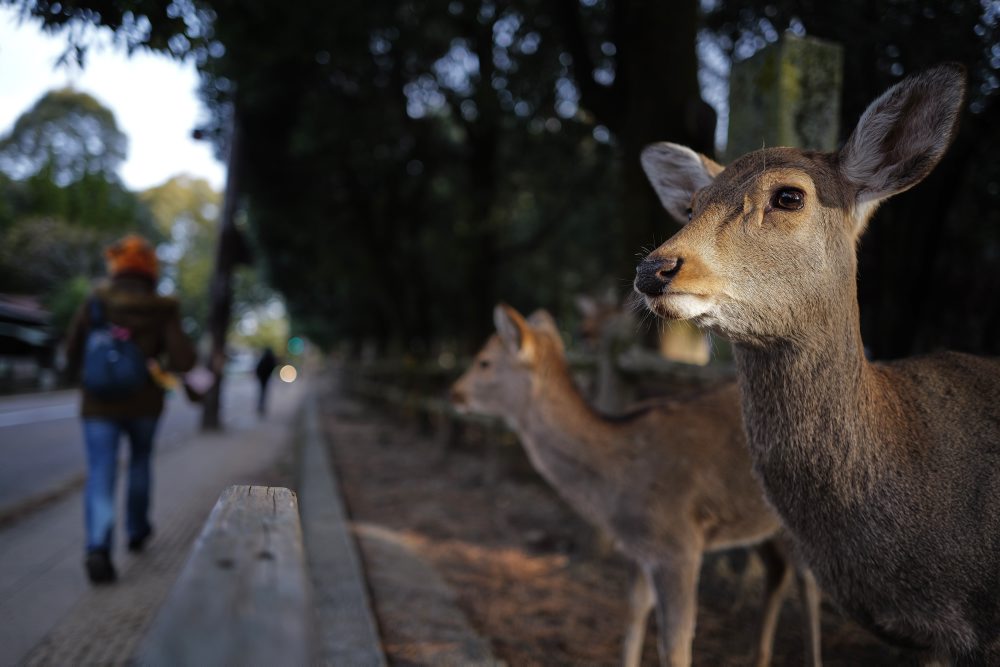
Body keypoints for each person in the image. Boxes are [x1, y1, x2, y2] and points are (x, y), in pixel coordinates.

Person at [66, 234, 196, 584]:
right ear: (151, 270)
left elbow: (71, 350)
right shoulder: (162, 308)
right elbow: (183, 359)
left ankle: (98, 545)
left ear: (116, 266)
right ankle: (137, 530)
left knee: (101, 471)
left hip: (97, 403)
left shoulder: (96, 301)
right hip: (145, 403)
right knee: (140, 462)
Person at [254, 346, 278, 416]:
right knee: (263, 392)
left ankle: (260, 406)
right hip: (265, 377)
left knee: (262, 391)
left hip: (263, 377)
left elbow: (259, 368)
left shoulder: (264, 357)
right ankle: (261, 406)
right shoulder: (271, 358)